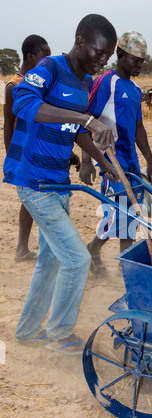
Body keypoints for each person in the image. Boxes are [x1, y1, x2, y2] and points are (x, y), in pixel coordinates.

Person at [2, 14, 119, 355]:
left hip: (57, 181)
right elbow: (25, 103)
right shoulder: (50, 68)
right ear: (80, 41)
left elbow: (76, 131)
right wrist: (85, 117)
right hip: (33, 181)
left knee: (51, 261)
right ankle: (59, 333)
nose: (103, 60)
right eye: (99, 52)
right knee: (77, 260)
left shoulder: (83, 82)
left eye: (107, 56)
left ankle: (26, 330)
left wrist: (102, 160)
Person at [80, 31, 152, 275]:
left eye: (143, 61)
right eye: (136, 59)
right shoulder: (105, 82)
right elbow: (86, 119)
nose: (140, 65)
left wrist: (149, 158)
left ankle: (116, 262)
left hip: (131, 161)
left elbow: (138, 127)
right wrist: (87, 161)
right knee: (120, 213)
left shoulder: (134, 89)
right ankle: (104, 255)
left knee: (131, 214)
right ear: (121, 55)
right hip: (110, 161)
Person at [4, 35, 51, 263]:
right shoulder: (13, 85)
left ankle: (24, 248)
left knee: (34, 199)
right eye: (44, 57)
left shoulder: (39, 83)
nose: (47, 62)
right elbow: (7, 125)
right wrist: (11, 158)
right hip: (23, 152)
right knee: (31, 199)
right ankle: (22, 249)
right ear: (31, 57)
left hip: (38, 148)